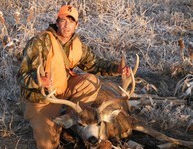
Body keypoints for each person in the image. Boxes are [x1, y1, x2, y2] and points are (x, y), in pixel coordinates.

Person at [17, 5, 122, 149]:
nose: (67, 26)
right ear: (57, 21)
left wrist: (117, 68)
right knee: (48, 145)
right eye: (63, 21)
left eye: (71, 22)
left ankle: (77, 119)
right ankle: (55, 120)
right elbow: (22, 75)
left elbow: (95, 64)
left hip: (63, 89)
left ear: (76, 25)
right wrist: (38, 81)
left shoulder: (76, 44)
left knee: (91, 82)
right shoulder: (40, 42)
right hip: (43, 98)